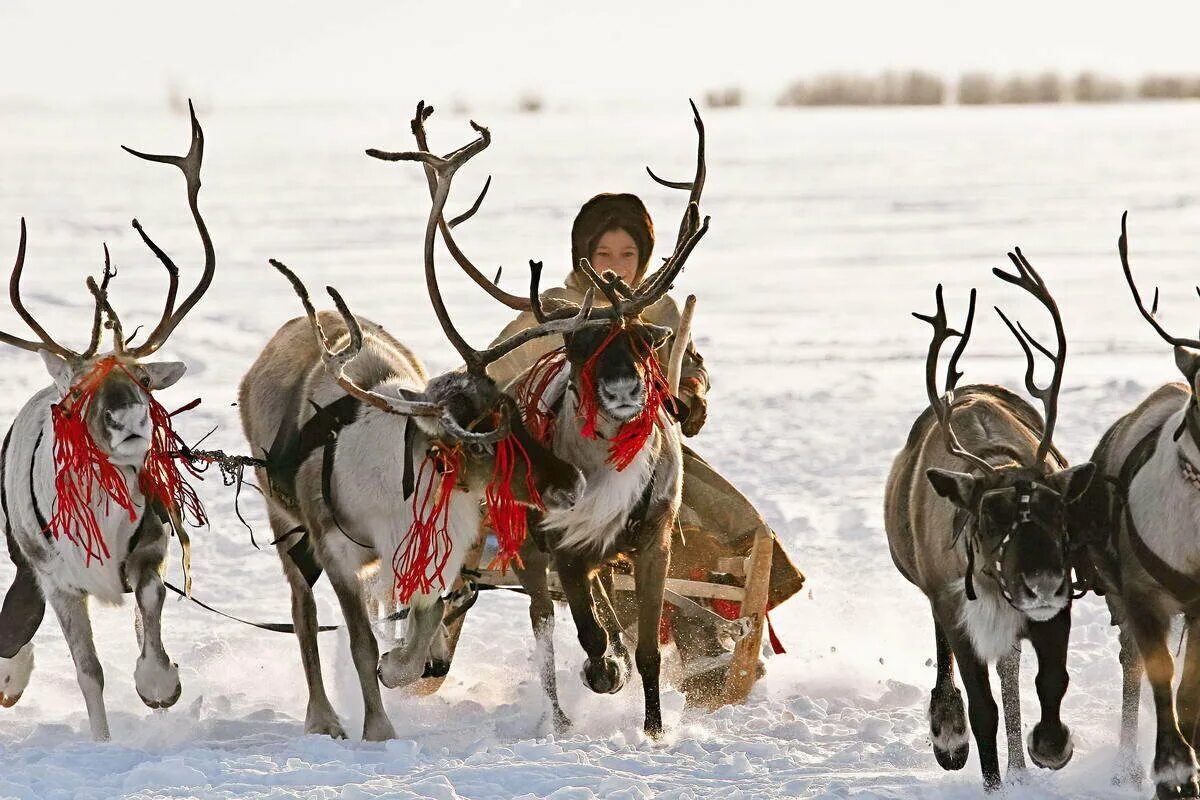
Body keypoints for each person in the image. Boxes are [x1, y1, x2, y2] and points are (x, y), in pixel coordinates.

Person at [488, 192, 805, 704]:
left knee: (728, 522)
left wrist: (691, 392)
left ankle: (705, 634)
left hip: (651, 450)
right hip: (565, 458)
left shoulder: (657, 305)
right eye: (603, 255)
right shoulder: (554, 310)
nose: (616, 267)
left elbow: (691, 363)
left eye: (628, 255)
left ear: (644, 258)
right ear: (582, 256)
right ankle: (622, 639)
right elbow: (497, 369)